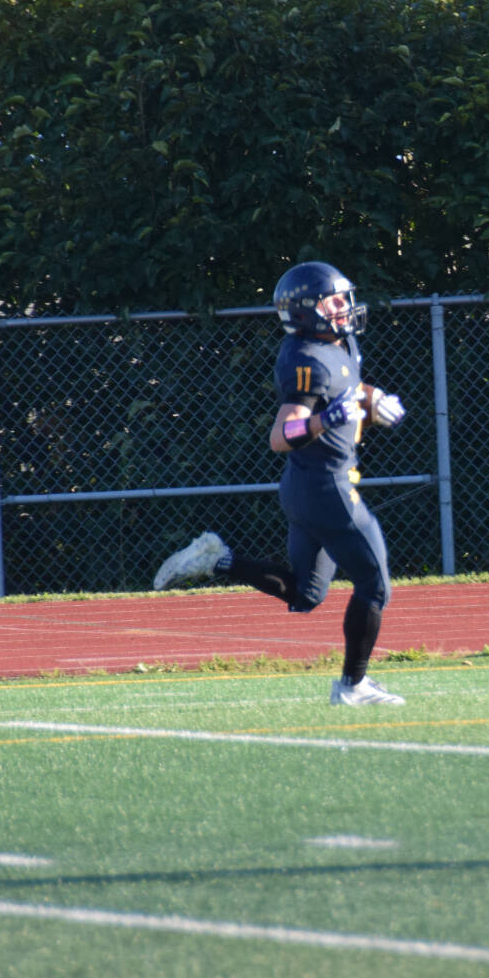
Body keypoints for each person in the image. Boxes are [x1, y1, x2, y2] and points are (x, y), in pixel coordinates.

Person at [153, 260, 408, 706]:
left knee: (306, 593)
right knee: (375, 585)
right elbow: (281, 436)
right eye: (334, 300)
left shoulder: (337, 341)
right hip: (328, 489)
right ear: (309, 309)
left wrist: (375, 398)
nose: (345, 307)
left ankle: (218, 561)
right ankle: (353, 686)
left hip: (306, 487)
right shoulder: (306, 358)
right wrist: (327, 419)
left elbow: (350, 387)